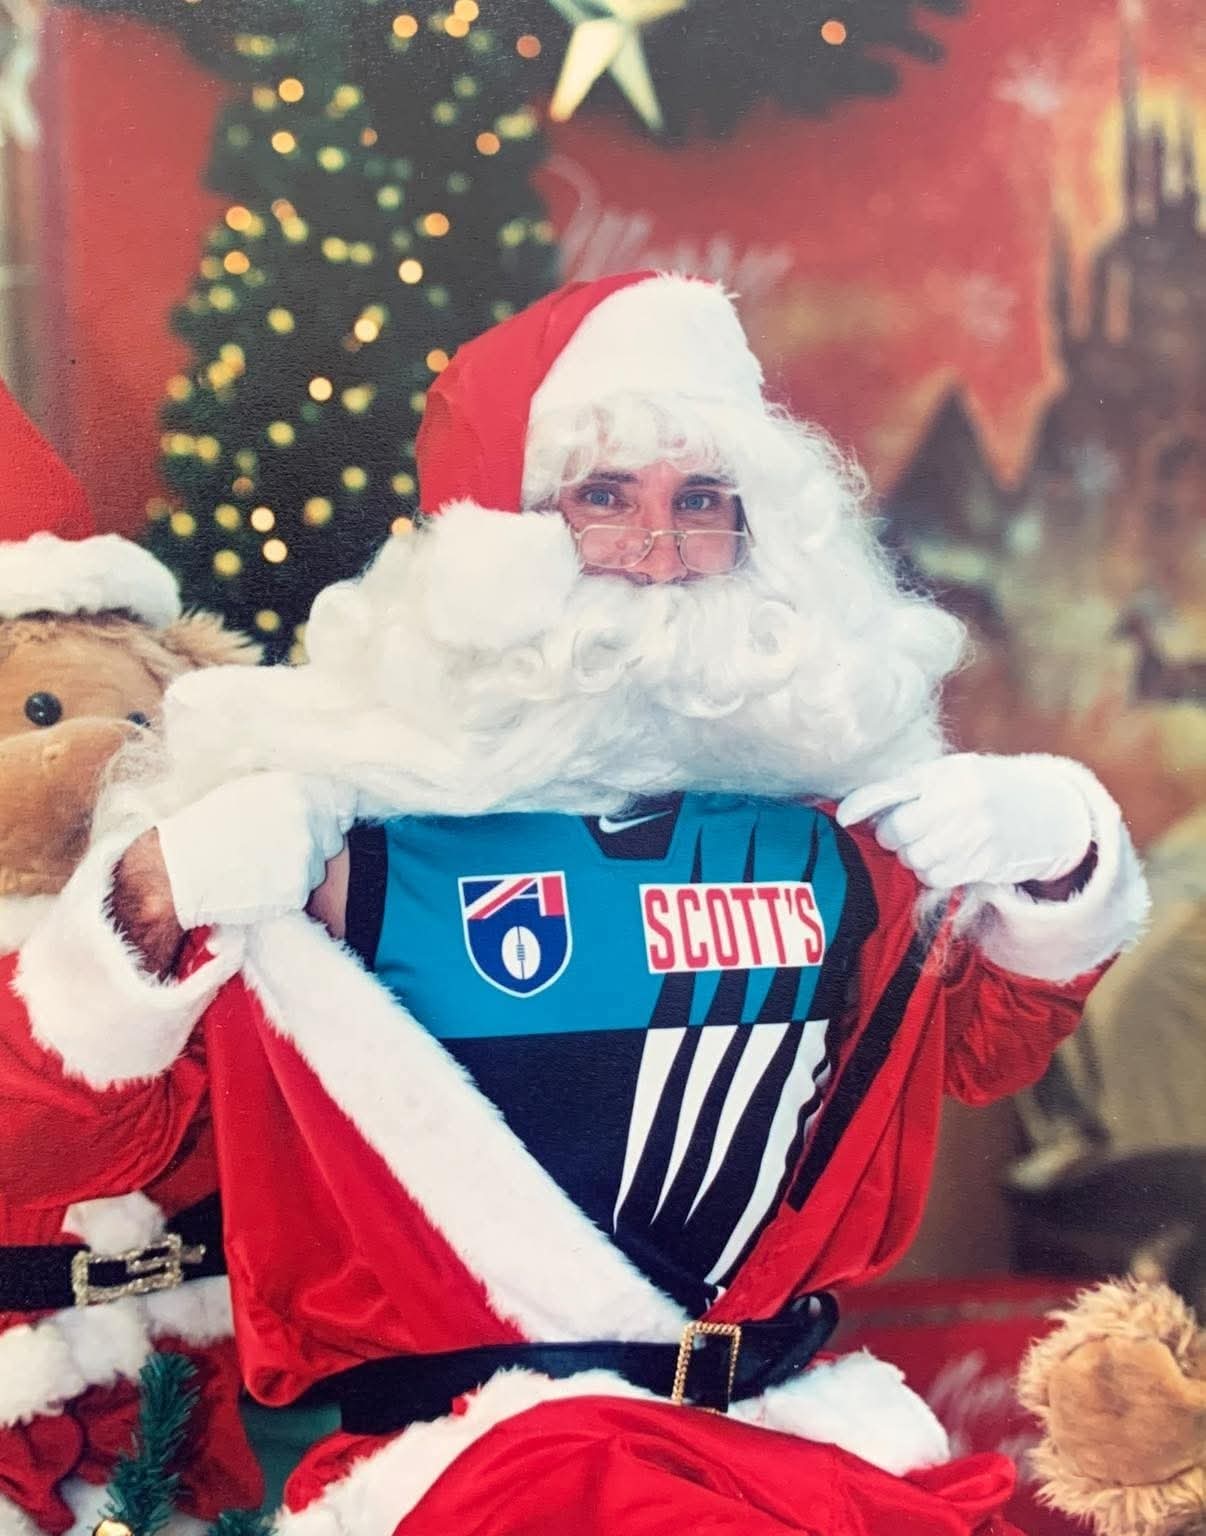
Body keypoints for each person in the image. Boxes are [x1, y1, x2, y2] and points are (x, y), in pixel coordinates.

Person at [18, 271, 1149, 1536]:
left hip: (801, 1438)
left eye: (700, 502)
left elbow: (980, 1051)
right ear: (494, 539)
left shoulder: (836, 833)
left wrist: (1060, 860)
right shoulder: (329, 838)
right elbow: (52, 1144)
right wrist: (149, 903)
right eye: (603, 498)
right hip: (492, 1464)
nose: (660, 552)